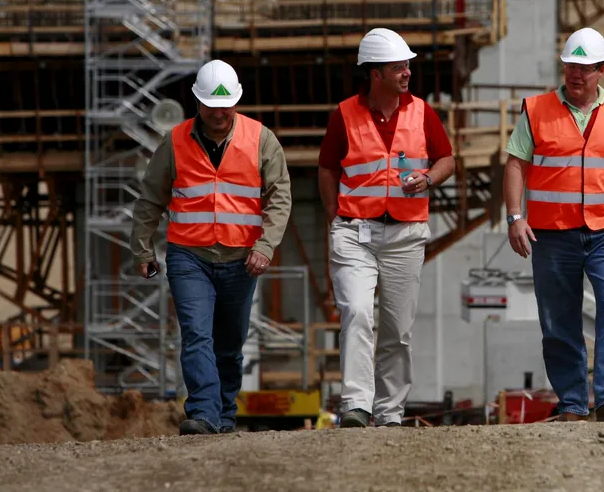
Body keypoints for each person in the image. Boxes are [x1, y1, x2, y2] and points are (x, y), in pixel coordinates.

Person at [131, 59, 292, 436]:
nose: (219, 114)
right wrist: (142, 250)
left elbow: (280, 195)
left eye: (226, 106)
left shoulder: (261, 139)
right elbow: (150, 198)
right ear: (197, 103)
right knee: (196, 334)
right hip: (190, 256)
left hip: (242, 259)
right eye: (211, 106)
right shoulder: (174, 142)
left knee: (230, 344)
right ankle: (203, 412)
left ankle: (224, 415)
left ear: (236, 102)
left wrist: (266, 246)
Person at [503, 27, 604, 422]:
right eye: (570, 66)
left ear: (601, 70)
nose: (576, 74)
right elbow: (516, 163)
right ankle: (571, 402)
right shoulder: (536, 110)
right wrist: (515, 216)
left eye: (585, 67)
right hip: (551, 234)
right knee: (558, 317)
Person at [318, 28, 455, 428]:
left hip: (405, 236)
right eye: (398, 67)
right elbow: (327, 169)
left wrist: (429, 178)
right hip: (354, 232)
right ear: (375, 74)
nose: (407, 72)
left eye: (408, 65)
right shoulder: (344, 115)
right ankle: (357, 405)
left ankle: (390, 413)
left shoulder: (422, 112)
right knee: (358, 312)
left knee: (398, 329)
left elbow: (447, 159)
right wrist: (334, 217)